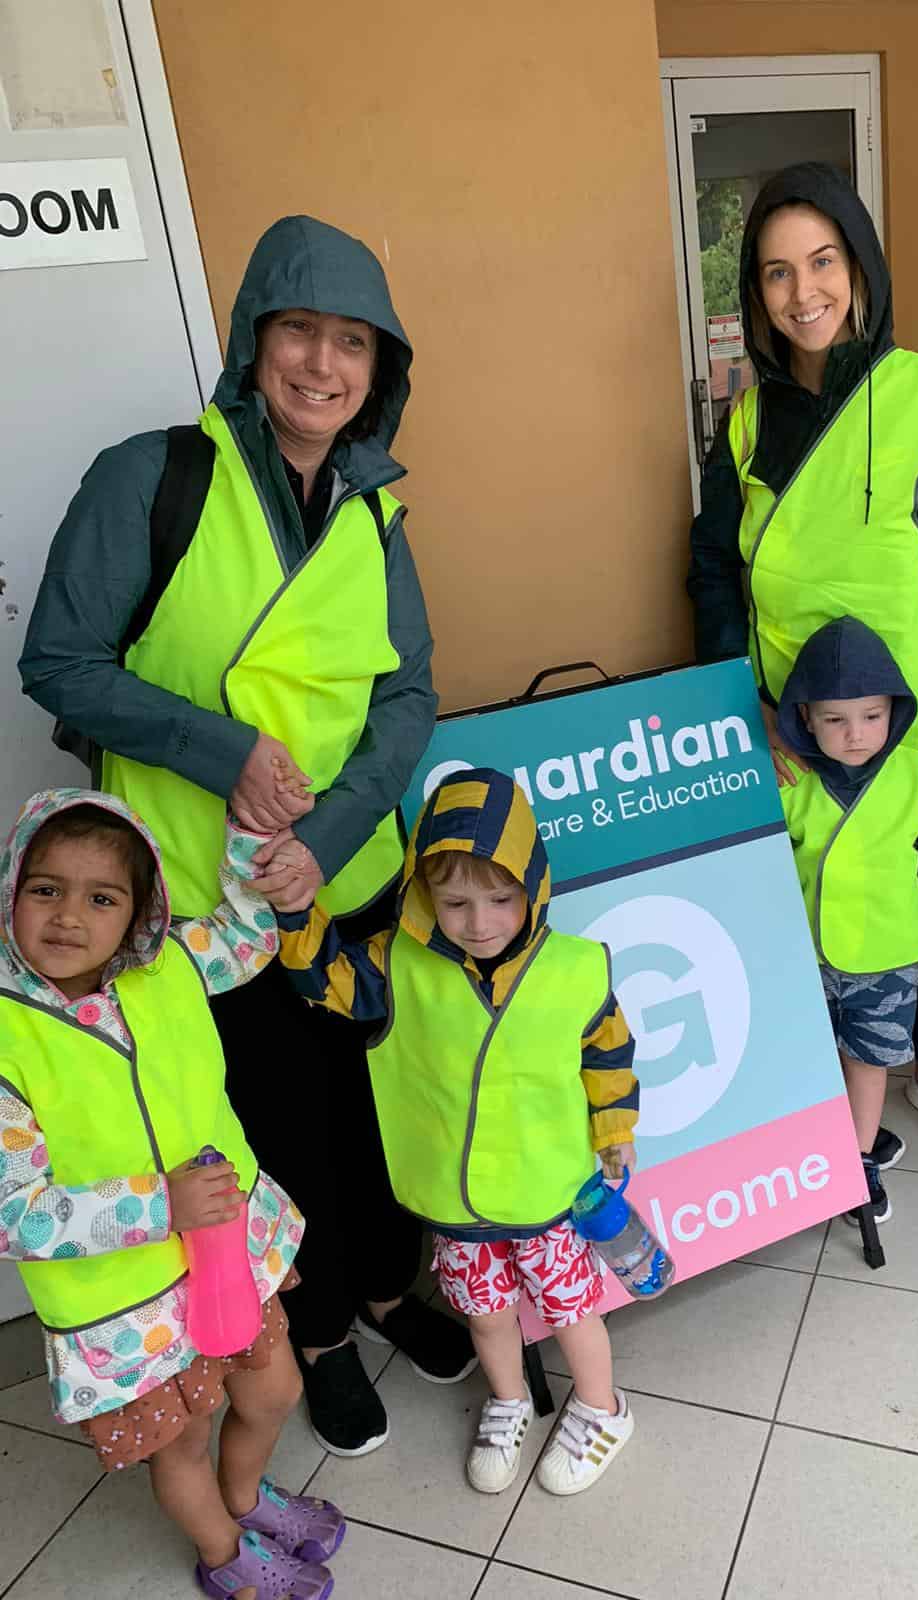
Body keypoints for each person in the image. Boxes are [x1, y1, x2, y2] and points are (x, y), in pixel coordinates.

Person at [19, 215, 473, 1456]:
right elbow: (56, 660)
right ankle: (319, 1327)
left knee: (368, 1108)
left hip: (336, 884)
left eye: (353, 344)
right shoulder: (154, 476)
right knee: (271, 1130)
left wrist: (325, 833)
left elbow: (409, 697)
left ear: (382, 370)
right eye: (299, 332)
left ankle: (388, 1285)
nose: (323, 365)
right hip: (193, 905)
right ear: (251, 340)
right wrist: (228, 755)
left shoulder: (377, 514)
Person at [686, 162, 918, 1167]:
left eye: (822, 261)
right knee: (816, 891)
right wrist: (736, 703)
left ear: (859, 266)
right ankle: (820, 1077)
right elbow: (710, 571)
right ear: (756, 295)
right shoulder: (742, 422)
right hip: (794, 726)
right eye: (776, 273)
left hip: (905, 713)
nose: (803, 291)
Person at [0, 789, 344, 1600]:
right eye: (44, 888)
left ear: (138, 911)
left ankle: (247, 1495)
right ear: (12, 888)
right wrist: (160, 1205)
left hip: (230, 1256)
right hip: (126, 1310)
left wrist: (252, 832)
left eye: (102, 896)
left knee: (276, 1389)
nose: (68, 917)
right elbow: (13, 1211)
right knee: (181, 1443)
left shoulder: (169, 964)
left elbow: (248, 932)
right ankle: (225, 1552)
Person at [274, 768, 639, 1496]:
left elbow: (608, 1053)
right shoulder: (394, 963)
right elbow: (325, 984)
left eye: (501, 898)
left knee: (571, 1311)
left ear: (533, 885)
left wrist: (615, 1128)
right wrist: (294, 911)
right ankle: (508, 1400)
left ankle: (603, 1407)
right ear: (421, 893)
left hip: (547, 1191)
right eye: (455, 901)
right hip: (453, 1199)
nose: (479, 921)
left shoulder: (574, 968)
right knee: (486, 1313)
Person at [774, 617, 918, 1222]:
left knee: (869, 1061)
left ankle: (858, 1160)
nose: (855, 734)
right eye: (835, 719)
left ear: (895, 710)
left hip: (888, 962)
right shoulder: (788, 783)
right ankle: (829, 1140)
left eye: (871, 716)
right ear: (805, 717)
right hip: (805, 958)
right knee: (815, 1057)